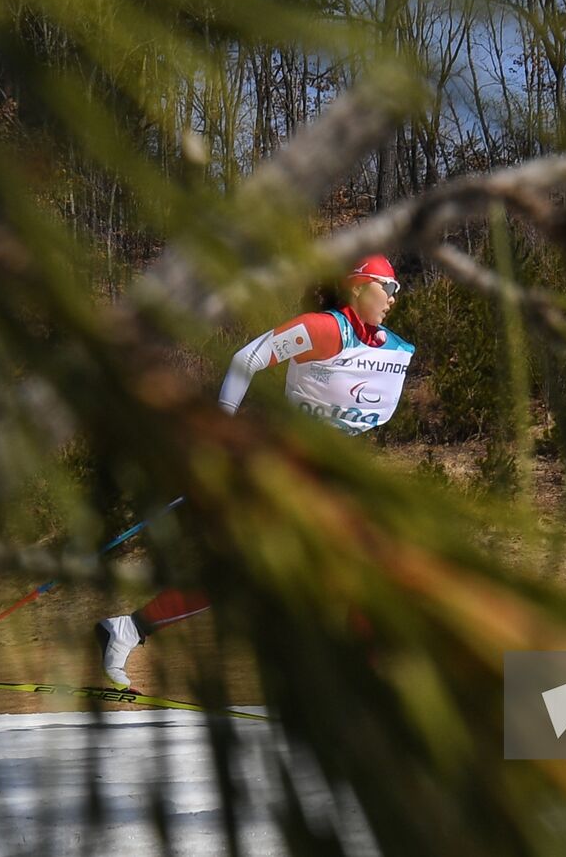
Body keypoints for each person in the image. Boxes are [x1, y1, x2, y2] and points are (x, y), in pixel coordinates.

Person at [94, 255, 414, 690]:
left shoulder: (387, 346)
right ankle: (129, 629)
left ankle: (128, 629)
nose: (394, 297)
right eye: (387, 287)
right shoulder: (325, 329)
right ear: (357, 286)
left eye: (397, 288)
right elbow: (248, 358)